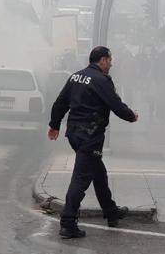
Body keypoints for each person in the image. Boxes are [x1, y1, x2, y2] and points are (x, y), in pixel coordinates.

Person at [48, 46, 139, 239]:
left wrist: (54, 125)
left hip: (73, 134)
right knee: (81, 178)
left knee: (99, 173)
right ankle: (68, 223)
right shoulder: (101, 80)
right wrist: (132, 116)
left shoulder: (75, 76)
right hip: (90, 136)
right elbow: (115, 104)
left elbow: (60, 102)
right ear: (103, 60)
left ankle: (111, 212)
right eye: (110, 60)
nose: (111, 64)